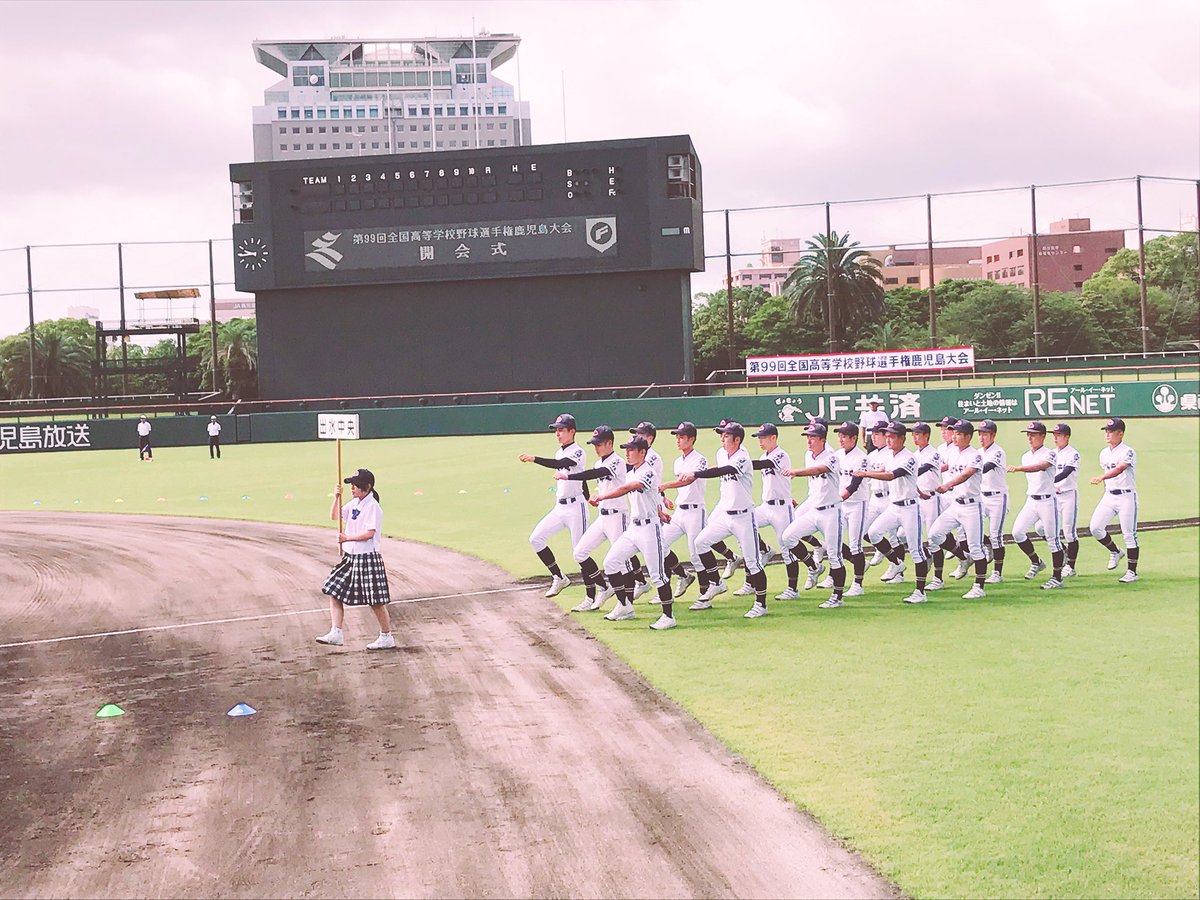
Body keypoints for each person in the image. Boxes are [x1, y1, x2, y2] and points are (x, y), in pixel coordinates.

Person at [684, 422, 769, 617]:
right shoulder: (721, 454)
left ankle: (761, 604)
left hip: (744, 517)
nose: (722, 439)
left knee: (753, 562)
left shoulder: (743, 458)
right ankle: (716, 583)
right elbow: (719, 467)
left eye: (726, 436)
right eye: (721, 435)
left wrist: (696, 474)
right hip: (726, 516)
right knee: (701, 542)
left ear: (737, 439)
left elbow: (724, 471)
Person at [593, 435, 678, 630]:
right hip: (634, 527)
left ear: (643, 452)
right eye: (626, 449)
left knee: (657, 575)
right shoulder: (631, 472)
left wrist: (602, 496)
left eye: (631, 449)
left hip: (649, 530)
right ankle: (625, 606)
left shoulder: (648, 472)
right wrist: (660, 511)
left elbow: (628, 488)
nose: (627, 453)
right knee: (611, 562)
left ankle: (669, 616)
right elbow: (650, 497)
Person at [317, 468, 395, 650]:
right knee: (333, 589)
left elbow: (370, 533)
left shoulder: (373, 507)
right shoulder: (354, 503)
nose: (352, 488)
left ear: (366, 487)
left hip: (367, 557)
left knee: (375, 601)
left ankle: (386, 636)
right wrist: (336, 497)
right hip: (351, 557)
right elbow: (335, 516)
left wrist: (347, 538)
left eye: (355, 486)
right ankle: (336, 632)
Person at [856, 421, 930, 604]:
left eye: (892, 436)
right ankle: (897, 563)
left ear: (902, 438)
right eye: (887, 436)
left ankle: (920, 592)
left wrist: (866, 474)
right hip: (894, 506)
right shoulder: (889, 455)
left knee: (915, 550)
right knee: (873, 532)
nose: (888, 439)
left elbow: (891, 475)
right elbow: (882, 470)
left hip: (910, 509)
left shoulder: (909, 458)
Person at [779, 422, 848, 608]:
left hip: (831, 513)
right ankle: (814, 566)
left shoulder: (832, 457)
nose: (809, 441)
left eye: (813, 437)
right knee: (788, 537)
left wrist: (796, 472)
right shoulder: (808, 455)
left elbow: (819, 470)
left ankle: (837, 597)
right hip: (814, 511)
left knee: (835, 555)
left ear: (823, 440)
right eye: (807, 437)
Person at [519, 414, 589, 597]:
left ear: (572, 431)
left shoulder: (578, 451)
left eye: (561, 430)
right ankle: (559, 577)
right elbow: (580, 476)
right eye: (556, 430)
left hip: (576, 508)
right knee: (536, 538)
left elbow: (561, 465)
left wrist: (534, 458)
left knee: (580, 552)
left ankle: (596, 592)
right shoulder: (560, 451)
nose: (557, 433)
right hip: (560, 507)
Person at [557, 426, 624, 612]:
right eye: (594, 444)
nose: (596, 448)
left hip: (618, 516)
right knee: (580, 552)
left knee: (621, 562)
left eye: (599, 444)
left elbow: (595, 474)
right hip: (603, 517)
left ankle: (625, 605)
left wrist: (568, 475)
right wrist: (592, 497)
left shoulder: (617, 462)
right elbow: (595, 477)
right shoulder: (598, 463)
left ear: (610, 443)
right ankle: (604, 589)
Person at [928, 419, 989, 599]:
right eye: (953, 432)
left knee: (976, 547)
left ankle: (979, 587)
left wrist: (947, 485)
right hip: (956, 505)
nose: (954, 436)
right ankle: (963, 557)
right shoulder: (952, 452)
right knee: (935, 534)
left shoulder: (975, 455)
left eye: (958, 433)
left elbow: (966, 474)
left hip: (972, 506)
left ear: (968, 436)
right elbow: (943, 466)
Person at [741, 423, 801, 600]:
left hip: (782, 508)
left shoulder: (781, 455)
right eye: (759, 437)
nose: (760, 440)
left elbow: (763, 464)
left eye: (763, 437)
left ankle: (793, 589)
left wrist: (739, 464)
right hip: (766, 506)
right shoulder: (763, 454)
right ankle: (761, 557)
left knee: (786, 547)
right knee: (744, 528)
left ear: (773, 437)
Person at [657, 422, 714, 600]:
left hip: (695, 511)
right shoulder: (677, 461)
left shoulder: (700, 459)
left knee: (695, 554)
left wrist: (666, 485)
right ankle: (684, 575)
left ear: (691, 439)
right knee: (660, 543)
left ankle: (704, 595)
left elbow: (688, 480)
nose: (678, 440)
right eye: (677, 436)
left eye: (682, 437)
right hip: (680, 512)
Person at [1006, 421, 1065, 589]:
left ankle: (1057, 578)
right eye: (1028, 434)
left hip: (1047, 501)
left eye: (1033, 434)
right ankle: (1036, 561)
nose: (1030, 437)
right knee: (1017, 532)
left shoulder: (1050, 454)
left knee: (1053, 540)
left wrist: (1019, 468)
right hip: (1031, 500)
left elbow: (1041, 466)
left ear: (1042, 436)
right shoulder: (1026, 455)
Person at [1089, 417, 1140, 583]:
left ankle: (1132, 572)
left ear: (1121, 433)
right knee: (1095, 527)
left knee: (1129, 535)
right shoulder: (1103, 453)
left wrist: (1101, 477)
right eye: (1106, 431)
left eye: (1111, 431)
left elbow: (1119, 469)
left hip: (1126, 496)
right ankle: (1115, 551)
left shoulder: (1128, 451)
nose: (1107, 434)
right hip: (1109, 495)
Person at [912, 422, 946, 591]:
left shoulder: (934, 454)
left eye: (918, 434)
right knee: (903, 535)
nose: (914, 437)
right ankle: (927, 557)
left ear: (926, 435)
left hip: (932, 498)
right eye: (913, 434)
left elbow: (921, 470)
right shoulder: (913, 454)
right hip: (918, 498)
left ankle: (938, 579)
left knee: (934, 539)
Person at [977, 420, 1009, 583]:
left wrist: (970, 471)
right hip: (982, 496)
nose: (982, 437)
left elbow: (986, 467)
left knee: (996, 535)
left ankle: (997, 573)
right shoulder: (977, 452)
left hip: (998, 497)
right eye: (980, 433)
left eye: (985, 434)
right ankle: (987, 545)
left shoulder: (998, 452)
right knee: (971, 529)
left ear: (993, 435)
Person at [1050, 423, 1082, 577]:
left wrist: (1050, 482)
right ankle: (1063, 550)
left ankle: (1071, 566)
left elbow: (1066, 472)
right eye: (1054, 435)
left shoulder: (1073, 454)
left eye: (1059, 435)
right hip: (1054, 497)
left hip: (1069, 495)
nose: (1055, 438)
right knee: (1041, 528)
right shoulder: (1051, 453)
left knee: (1069, 532)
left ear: (1067, 437)